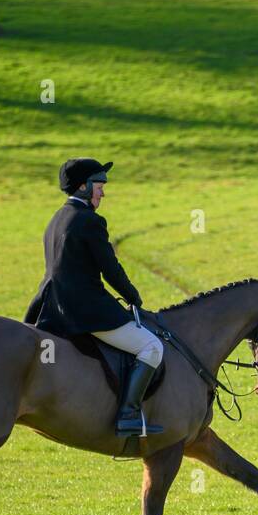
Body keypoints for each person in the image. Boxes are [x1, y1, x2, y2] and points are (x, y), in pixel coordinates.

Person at [24, 158, 164, 436]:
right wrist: (132, 295)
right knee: (152, 347)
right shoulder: (89, 221)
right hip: (85, 310)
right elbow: (110, 268)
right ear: (83, 187)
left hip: (51, 308)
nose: (103, 193)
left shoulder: (56, 218)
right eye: (99, 186)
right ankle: (129, 413)